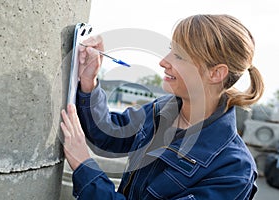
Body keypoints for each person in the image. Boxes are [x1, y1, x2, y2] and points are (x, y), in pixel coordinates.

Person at [60, 14, 264, 199]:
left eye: (180, 56)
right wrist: (89, 83)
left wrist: (84, 167)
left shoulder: (233, 170)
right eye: (170, 51)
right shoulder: (162, 111)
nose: (164, 62)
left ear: (216, 73)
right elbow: (110, 132)